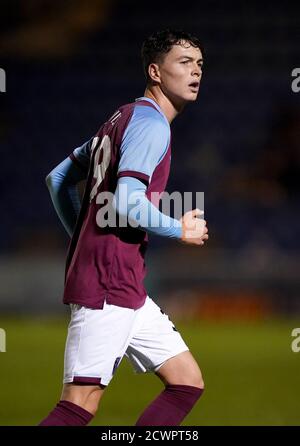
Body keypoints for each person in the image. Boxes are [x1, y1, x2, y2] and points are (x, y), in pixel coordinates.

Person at [39, 28, 208, 427]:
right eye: (184, 62)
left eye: (200, 63)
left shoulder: (122, 117)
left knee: (186, 381)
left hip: (124, 280)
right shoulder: (152, 125)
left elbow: (57, 179)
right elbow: (129, 200)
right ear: (155, 71)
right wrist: (178, 229)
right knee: (79, 404)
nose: (196, 71)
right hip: (108, 282)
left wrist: (84, 240)